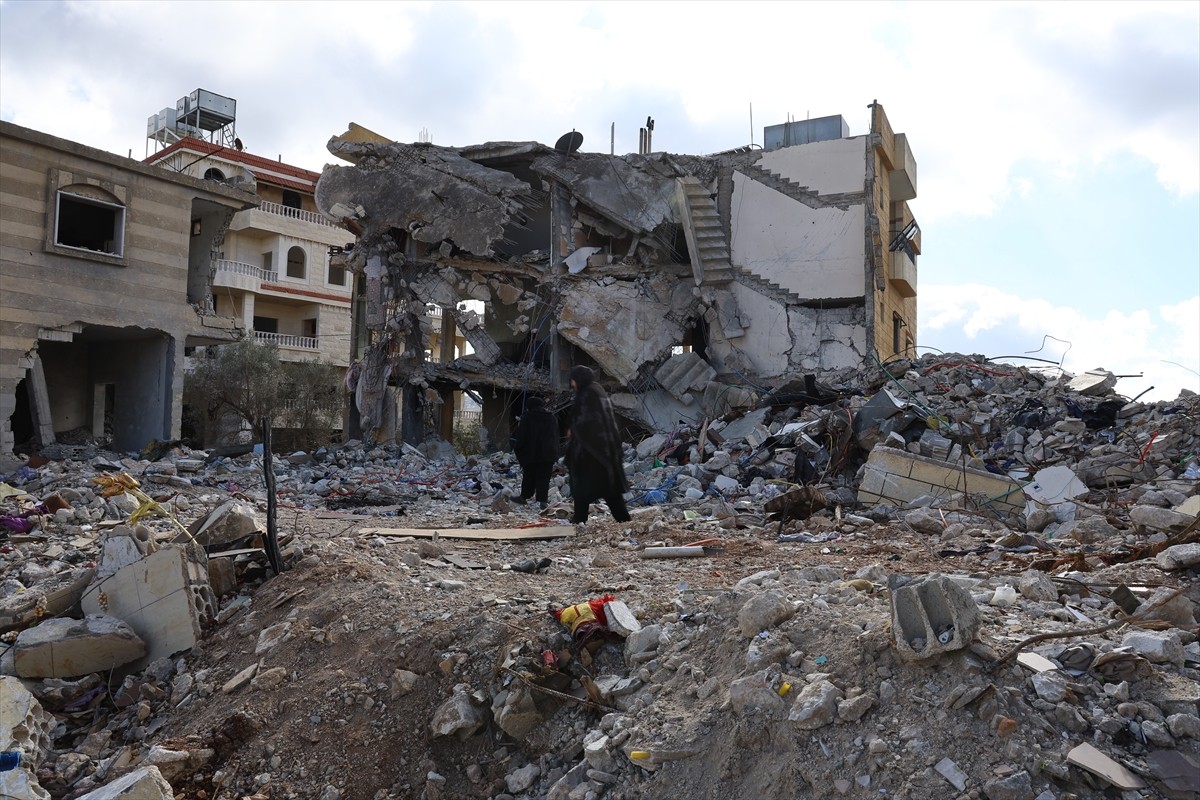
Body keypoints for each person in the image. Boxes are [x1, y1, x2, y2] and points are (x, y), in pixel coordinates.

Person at [565, 365, 631, 524]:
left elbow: (589, 421)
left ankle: (581, 518)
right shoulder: (597, 390)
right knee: (608, 488)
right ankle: (621, 518)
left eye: (573, 380)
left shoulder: (587, 394)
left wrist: (573, 430)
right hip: (606, 449)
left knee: (585, 486)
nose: (572, 385)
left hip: (592, 452)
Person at [512, 396, 559, 510]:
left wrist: (518, 451)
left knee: (529, 476)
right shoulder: (551, 418)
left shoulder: (527, 418)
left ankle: (524, 497)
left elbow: (522, 437)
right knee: (544, 477)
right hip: (548, 454)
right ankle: (543, 501)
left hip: (531, 454)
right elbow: (555, 437)